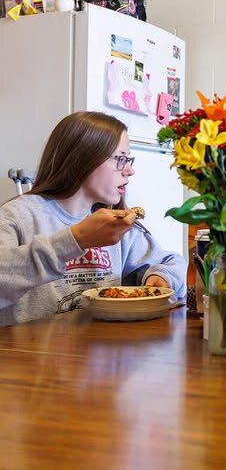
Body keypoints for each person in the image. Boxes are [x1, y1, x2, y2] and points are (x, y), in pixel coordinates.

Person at [0, 111, 187, 326]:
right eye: (121, 159)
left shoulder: (112, 223)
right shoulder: (19, 216)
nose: (130, 170)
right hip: (28, 356)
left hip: (98, 353)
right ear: (84, 159)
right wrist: (75, 239)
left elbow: (171, 262)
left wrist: (161, 278)